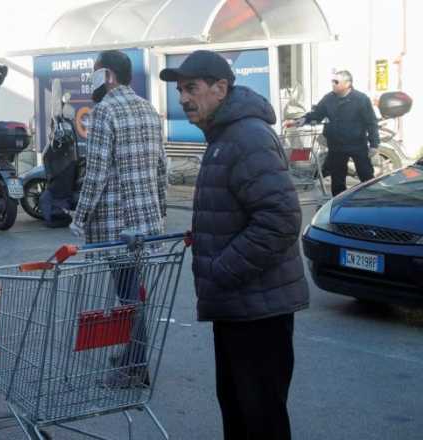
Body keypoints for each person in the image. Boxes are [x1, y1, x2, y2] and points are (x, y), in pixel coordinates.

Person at [160, 50, 309, 440]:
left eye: (191, 88)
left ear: (221, 88)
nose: (183, 98)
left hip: (257, 309)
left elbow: (280, 220)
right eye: (179, 90)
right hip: (238, 305)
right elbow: (238, 212)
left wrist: (221, 268)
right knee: (240, 412)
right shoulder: (225, 135)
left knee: (260, 418)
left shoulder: (246, 136)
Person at [70, 50, 168, 388]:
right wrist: (161, 211)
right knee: (134, 291)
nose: (93, 78)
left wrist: (78, 219)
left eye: (95, 72)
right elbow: (161, 168)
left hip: (115, 223)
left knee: (129, 294)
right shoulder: (149, 109)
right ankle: (132, 355)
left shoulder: (104, 111)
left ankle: (135, 365)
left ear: (108, 75)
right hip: (146, 220)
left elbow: (95, 175)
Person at [286, 70, 380, 195]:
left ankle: (372, 200)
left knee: (366, 175)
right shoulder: (329, 99)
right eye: (332, 81)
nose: (333, 84)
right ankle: (339, 205)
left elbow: (371, 122)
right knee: (337, 179)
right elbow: (317, 114)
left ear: (348, 84)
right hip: (336, 146)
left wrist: (374, 144)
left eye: (336, 82)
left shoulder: (361, 99)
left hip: (357, 144)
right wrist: (304, 119)